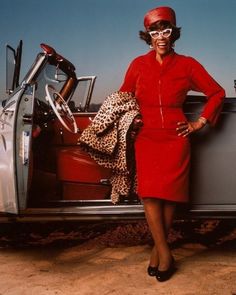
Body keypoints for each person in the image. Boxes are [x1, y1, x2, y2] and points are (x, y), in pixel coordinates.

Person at [119, 6, 225, 282]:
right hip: (146, 138)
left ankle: (158, 253)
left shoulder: (188, 64)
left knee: (169, 198)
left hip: (176, 139)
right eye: (155, 32)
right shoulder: (137, 65)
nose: (161, 37)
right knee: (150, 194)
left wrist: (198, 123)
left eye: (166, 30)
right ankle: (166, 254)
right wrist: (132, 119)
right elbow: (123, 98)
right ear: (149, 36)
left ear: (173, 34)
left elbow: (216, 92)